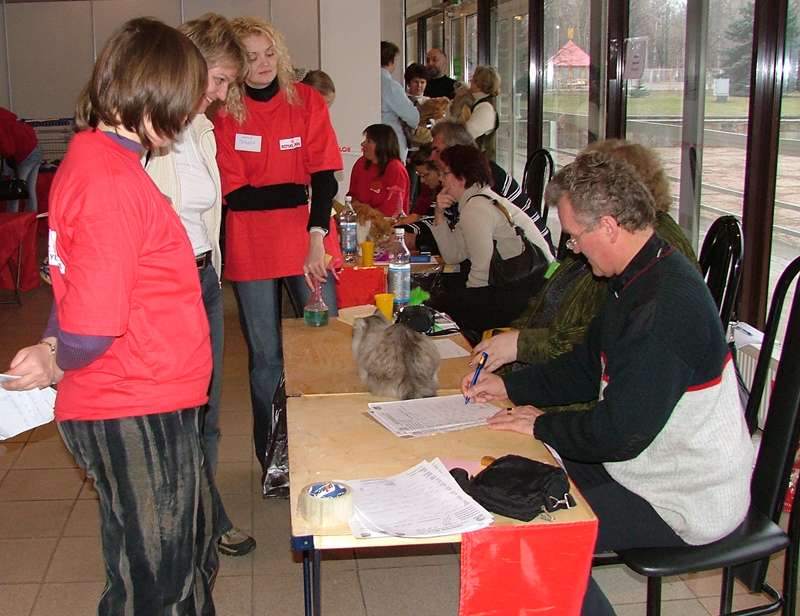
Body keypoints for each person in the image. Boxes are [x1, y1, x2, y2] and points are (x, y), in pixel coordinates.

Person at [462, 151, 754, 616]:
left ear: (610, 227)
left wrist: (540, 424)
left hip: (685, 500)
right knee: (514, 479)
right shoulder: (637, 277)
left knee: (531, 535)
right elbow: (584, 369)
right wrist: (512, 389)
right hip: (644, 468)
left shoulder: (662, 307)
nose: (573, 248)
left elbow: (619, 433)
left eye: (576, 236)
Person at [2, 18, 218, 614]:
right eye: (182, 102)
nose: (187, 117)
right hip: (132, 404)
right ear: (150, 94)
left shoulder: (105, 163)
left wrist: (53, 346)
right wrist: (56, 357)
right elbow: (94, 323)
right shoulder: (108, 180)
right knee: (158, 583)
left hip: (143, 398)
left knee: (169, 562)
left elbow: (75, 285)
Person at [213, 17, 343, 495]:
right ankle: (274, 462)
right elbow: (237, 196)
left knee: (323, 346)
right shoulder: (224, 114)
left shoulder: (306, 101)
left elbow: (325, 177)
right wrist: (295, 189)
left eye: (268, 53)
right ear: (236, 63)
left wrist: (315, 233)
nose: (263, 64)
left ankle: (326, 449)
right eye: (250, 57)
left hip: (309, 240)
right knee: (266, 358)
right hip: (251, 245)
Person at [145, 12, 255, 557]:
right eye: (219, 79)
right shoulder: (147, 131)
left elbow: (209, 214)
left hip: (204, 277)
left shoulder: (205, 130)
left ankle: (204, 518)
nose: (221, 94)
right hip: (165, 288)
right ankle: (184, 523)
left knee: (208, 411)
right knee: (176, 415)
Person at [473, 140, 698, 383]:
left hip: (564, 379)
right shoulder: (599, 239)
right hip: (540, 370)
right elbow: (546, 301)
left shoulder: (636, 256)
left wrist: (521, 345)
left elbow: (594, 347)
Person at [426, 145, 553, 336]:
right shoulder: (476, 201)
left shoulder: (476, 208)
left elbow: (481, 272)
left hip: (527, 293)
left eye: (445, 173)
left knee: (436, 305)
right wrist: (439, 214)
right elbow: (453, 255)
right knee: (445, 293)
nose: (441, 179)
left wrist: (468, 307)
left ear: (462, 176)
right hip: (523, 283)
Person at [403, 120, 552, 253]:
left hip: (532, 258)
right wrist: (401, 233)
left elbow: (464, 241)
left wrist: (415, 241)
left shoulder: (484, 178)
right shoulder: (454, 177)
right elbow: (438, 221)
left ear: (457, 150)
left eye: (437, 151)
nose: (431, 157)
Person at [348, 123, 410, 217]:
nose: (363, 144)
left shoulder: (396, 168)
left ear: (381, 144)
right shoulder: (361, 163)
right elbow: (352, 197)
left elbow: (392, 210)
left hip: (387, 223)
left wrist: (365, 212)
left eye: (368, 141)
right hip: (362, 220)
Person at [380, 41, 419, 162]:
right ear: (391, 61)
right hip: (391, 141)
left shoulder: (367, 81)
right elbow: (412, 117)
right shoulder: (390, 86)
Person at [0, 106, 42, 213]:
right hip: (35, 150)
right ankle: (31, 219)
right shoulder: (10, 119)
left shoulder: (2, 124)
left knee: (14, 191)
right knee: (30, 190)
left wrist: (5, 155)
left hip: (25, 155)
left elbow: (8, 148)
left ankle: (12, 219)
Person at [464, 66, 500, 161]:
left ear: (480, 84)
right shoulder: (479, 103)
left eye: (473, 79)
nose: (470, 81)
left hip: (479, 162)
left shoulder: (485, 108)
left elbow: (466, 134)